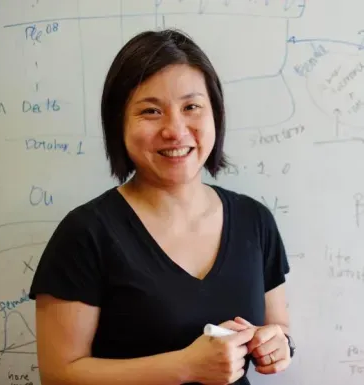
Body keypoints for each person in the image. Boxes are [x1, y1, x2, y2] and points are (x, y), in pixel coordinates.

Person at [29, 28, 295, 385]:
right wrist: (186, 366)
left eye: (191, 107)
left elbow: (278, 324)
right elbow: (60, 374)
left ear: (214, 114)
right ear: (118, 124)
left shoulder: (254, 219)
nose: (175, 129)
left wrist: (279, 343)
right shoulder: (85, 233)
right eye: (151, 111)